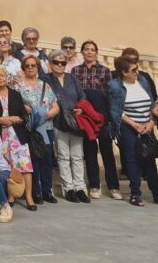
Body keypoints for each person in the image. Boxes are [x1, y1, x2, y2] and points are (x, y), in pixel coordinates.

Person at [108, 55, 158, 207]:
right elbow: (116, 111)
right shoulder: (115, 86)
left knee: (150, 159)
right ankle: (135, 194)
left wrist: (151, 122)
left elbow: (152, 103)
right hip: (128, 127)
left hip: (147, 126)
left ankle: (157, 194)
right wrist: (135, 125)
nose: (137, 72)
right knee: (132, 159)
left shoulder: (143, 81)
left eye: (137, 69)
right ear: (124, 72)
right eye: (133, 70)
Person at [71, 40, 120, 200]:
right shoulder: (76, 71)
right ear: (82, 52)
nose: (89, 52)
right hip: (85, 115)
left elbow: (108, 95)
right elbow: (76, 93)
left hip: (101, 114)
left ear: (96, 52)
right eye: (86, 49)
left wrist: (108, 116)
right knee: (90, 151)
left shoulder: (104, 71)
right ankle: (94, 185)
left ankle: (113, 187)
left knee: (107, 151)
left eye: (92, 49)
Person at [0, 64, 36, 210]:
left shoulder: (15, 94)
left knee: (25, 166)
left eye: (2, 75)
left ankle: (29, 197)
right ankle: (11, 195)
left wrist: (15, 119)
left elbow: (24, 116)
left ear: (7, 77)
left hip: (17, 135)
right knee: (7, 166)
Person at [46, 48, 88, 203]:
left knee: (77, 155)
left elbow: (82, 95)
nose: (59, 65)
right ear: (50, 64)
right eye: (56, 62)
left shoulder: (72, 78)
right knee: (63, 156)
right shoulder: (46, 79)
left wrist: (82, 108)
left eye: (62, 63)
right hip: (58, 121)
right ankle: (69, 188)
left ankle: (80, 188)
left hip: (75, 120)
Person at [16, 55, 58, 204]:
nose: (30, 68)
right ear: (23, 68)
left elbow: (55, 105)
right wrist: (26, 109)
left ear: (38, 68)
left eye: (33, 65)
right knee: (33, 160)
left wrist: (48, 114)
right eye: (27, 66)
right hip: (30, 128)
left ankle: (47, 191)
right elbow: (16, 105)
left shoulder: (45, 85)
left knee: (46, 158)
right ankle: (35, 192)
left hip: (45, 127)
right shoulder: (18, 86)